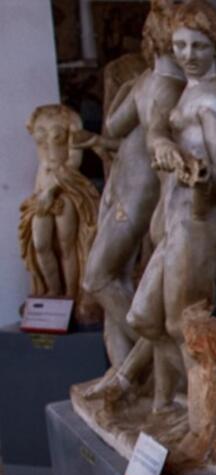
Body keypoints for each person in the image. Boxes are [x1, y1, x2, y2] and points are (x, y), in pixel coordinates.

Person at [132, 0, 216, 413]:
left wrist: (198, 173)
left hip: (197, 225)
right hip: (174, 223)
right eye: (180, 46)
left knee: (186, 328)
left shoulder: (212, 102)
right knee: (144, 318)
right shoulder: (189, 92)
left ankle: (204, 416)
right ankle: (181, 400)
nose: (187, 56)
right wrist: (163, 144)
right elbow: (159, 133)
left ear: (214, 47)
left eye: (198, 47)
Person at [78, 0, 183, 367]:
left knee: (99, 279)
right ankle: (122, 383)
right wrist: (128, 85)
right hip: (119, 187)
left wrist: (157, 139)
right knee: (114, 281)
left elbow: (155, 134)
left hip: (136, 195)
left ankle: (159, 363)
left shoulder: (168, 85)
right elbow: (113, 127)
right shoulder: (147, 82)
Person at [19, 104, 101, 323]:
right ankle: (52, 291)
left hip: (65, 189)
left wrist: (52, 190)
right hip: (41, 190)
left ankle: (70, 295)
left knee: (67, 246)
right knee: (41, 245)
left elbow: (74, 161)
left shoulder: (70, 121)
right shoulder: (37, 118)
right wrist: (41, 192)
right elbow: (42, 161)